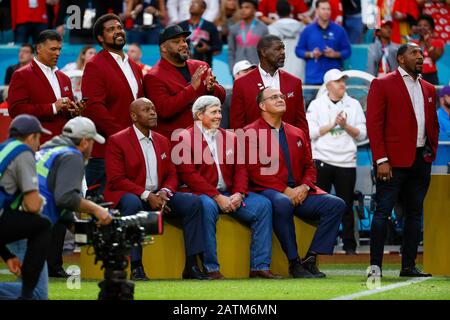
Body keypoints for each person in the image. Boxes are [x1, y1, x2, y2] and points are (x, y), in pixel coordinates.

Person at [245, 87, 346, 278]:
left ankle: (310, 258)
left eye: (282, 96)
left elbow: (310, 166)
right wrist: (284, 190)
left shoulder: (297, 132)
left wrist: (305, 187)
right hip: (266, 191)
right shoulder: (249, 132)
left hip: (301, 192)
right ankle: (294, 262)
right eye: (274, 97)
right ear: (262, 105)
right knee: (282, 202)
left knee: (336, 205)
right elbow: (254, 171)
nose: (280, 99)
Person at [174, 95, 279, 279]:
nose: (219, 116)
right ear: (199, 115)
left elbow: (241, 169)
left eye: (220, 111)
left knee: (263, 205)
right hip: (203, 194)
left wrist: (239, 193)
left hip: (230, 193)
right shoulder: (184, 137)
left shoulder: (230, 136)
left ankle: (259, 267)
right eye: (214, 112)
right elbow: (189, 175)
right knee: (204, 206)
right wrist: (217, 197)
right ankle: (211, 268)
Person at [104, 98, 209, 280]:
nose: (153, 112)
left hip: (159, 195)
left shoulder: (162, 140)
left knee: (193, 202)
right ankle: (136, 267)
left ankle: (191, 266)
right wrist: (147, 195)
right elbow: (117, 179)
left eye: (153, 109)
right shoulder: (117, 140)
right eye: (146, 110)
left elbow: (172, 174)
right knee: (131, 202)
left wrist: (165, 192)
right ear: (134, 116)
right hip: (133, 195)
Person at [366, 43, 439, 277]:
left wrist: (430, 152)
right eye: (414, 53)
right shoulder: (382, 84)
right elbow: (374, 125)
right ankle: (375, 267)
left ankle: (408, 266)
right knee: (382, 212)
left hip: (420, 160)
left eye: (421, 53)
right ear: (400, 59)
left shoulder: (428, 88)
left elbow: (432, 123)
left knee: (415, 214)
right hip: (391, 162)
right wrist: (381, 159)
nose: (420, 57)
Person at [35, 117, 112, 278]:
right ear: (84, 142)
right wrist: (97, 210)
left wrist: (77, 228)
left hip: (15, 216)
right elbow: (66, 198)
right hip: (24, 221)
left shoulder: (48, 150)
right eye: (92, 142)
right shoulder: (72, 155)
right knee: (35, 293)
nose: (92, 147)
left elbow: (55, 198)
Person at [81, 14, 144, 197]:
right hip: (105, 153)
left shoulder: (134, 66)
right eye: (111, 30)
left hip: (133, 150)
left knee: (132, 206)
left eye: (119, 27)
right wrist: (123, 137)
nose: (118, 32)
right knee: (103, 209)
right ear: (101, 38)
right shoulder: (95, 65)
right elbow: (94, 108)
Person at [306, 69, 367, 255]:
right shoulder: (316, 105)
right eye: (337, 81)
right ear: (328, 85)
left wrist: (345, 126)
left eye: (343, 80)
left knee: (347, 205)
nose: (342, 84)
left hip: (347, 162)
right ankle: (320, 248)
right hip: (322, 160)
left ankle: (350, 246)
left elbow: (363, 134)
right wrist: (333, 124)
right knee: (319, 207)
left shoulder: (354, 104)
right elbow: (310, 133)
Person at [0, 115, 51, 300]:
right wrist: (39, 201)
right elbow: (32, 205)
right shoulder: (23, 152)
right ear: (31, 137)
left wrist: (6, 256)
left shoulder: (3, 148)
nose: (39, 146)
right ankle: (27, 295)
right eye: (39, 139)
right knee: (43, 225)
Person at [144, 25, 226, 139]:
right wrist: (192, 89)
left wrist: (211, 89)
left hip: (206, 136)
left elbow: (221, 98)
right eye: (176, 42)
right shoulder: (153, 76)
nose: (183, 44)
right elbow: (164, 110)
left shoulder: (201, 66)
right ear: (163, 48)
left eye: (184, 41)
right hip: (176, 141)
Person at [8, 30, 85, 145]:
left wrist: (74, 112)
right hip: (38, 145)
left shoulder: (64, 78)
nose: (58, 53)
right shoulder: (21, 75)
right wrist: (52, 107)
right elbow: (16, 110)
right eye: (53, 49)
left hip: (65, 144)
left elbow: (66, 112)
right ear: (39, 48)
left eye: (59, 49)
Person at [230, 35, 309, 135]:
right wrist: (241, 149)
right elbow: (237, 124)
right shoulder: (241, 84)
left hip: (288, 145)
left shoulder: (294, 82)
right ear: (263, 52)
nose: (283, 53)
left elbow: (301, 123)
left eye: (283, 49)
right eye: (277, 49)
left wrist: (306, 149)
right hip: (256, 146)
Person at [295, 0, 351, 85]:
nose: (326, 12)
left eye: (328, 9)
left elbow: (347, 51)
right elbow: (298, 50)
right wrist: (311, 54)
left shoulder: (339, 30)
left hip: (334, 79)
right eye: (323, 9)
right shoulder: (308, 30)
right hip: (313, 78)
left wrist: (335, 54)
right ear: (317, 10)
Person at [268, 0, 305, 81]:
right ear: (291, 10)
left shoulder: (271, 29)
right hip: (299, 71)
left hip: (278, 72)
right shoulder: (302, 28)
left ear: (276, 12)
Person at [227, 0, 269, 73]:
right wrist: (232, 69)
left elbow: (266, 51)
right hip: (239, 69)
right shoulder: (234, 28)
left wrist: (265, 69)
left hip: (257, 69)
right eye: (241, 7)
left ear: (254, 10)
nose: (243, 10)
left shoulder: (263, 28)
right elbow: (231, 51)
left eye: (247, 7)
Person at [179, 0, 222, 68]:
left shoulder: (210, 26)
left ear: (203, 9)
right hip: (183, 65)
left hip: (204, 65)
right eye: (191, 4)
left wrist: (208, 48)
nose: (192, 5)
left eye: (195, 4)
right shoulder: (181, 26)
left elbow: (218, 47)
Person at [221, 60, 257, 129]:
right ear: (236, 76)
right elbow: (224, 127)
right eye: (245, 71)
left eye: (252, 71)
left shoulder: (261, 97)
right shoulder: (227, 100)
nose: (250, 74)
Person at [411, 14, 444, 85]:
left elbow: (435, 57)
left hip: (431, 77)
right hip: (415, 76)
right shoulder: (413, 43)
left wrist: (427, 43)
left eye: (425, 25)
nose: (422, 27)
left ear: (431, 28)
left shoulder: (438, 42)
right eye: (419, 25)